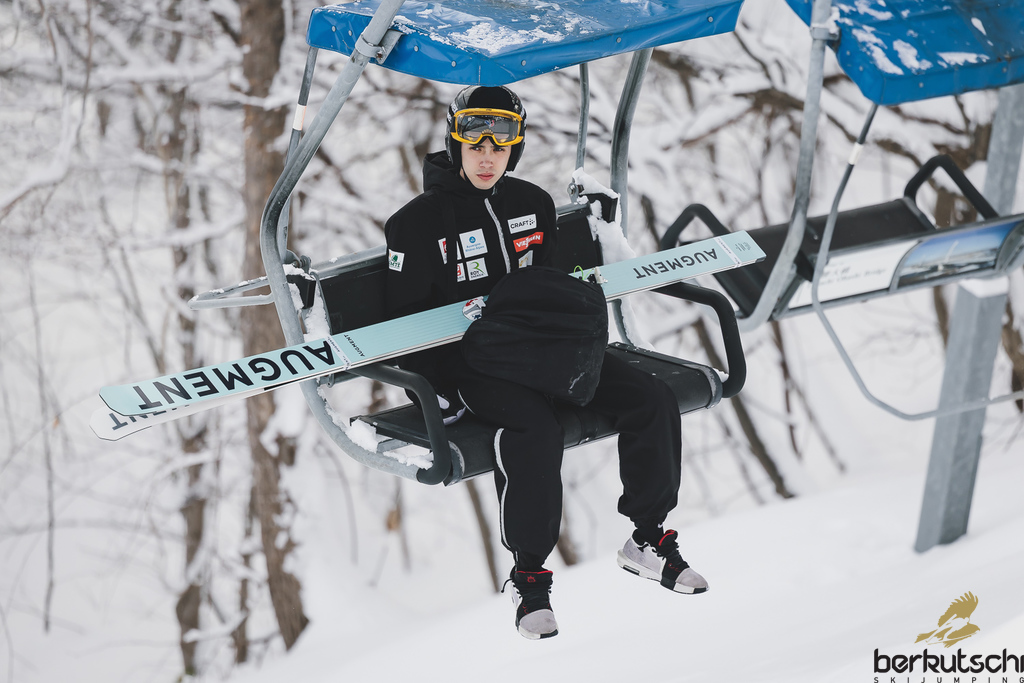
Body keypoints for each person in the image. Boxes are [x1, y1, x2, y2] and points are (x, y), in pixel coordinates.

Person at [384, 85, 708, 640]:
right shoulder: (417, 223)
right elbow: (402, 321)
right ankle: (529, 579)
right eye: (475, 143)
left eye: (501, 144)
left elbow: (553, 286)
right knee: (536, 428)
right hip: (474, 365)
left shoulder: (531, 203)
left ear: (516, 147)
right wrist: (436, 389)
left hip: (549, 350)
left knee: (650, 397)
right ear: (455, 142)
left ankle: (647, 538)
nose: (487, 156)